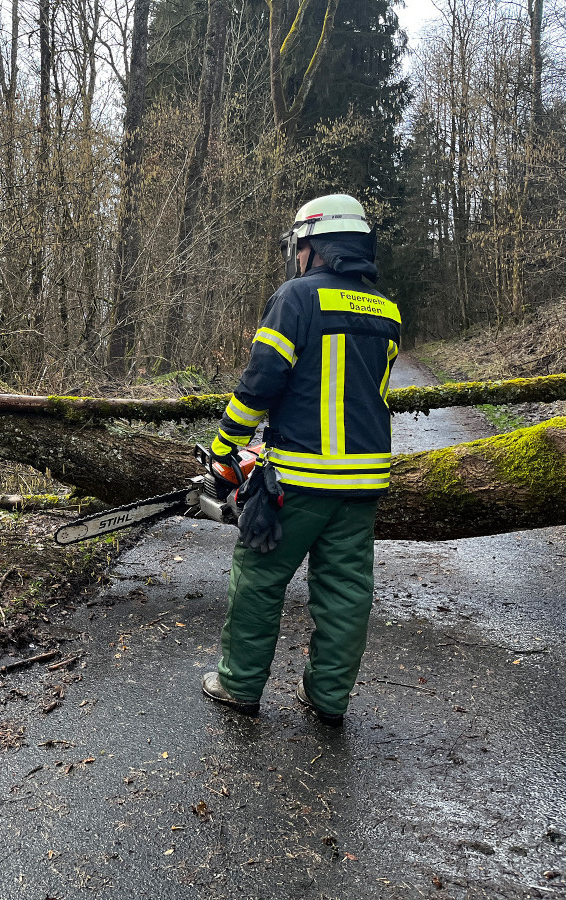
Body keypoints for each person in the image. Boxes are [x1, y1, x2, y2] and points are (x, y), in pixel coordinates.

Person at [200, 194, 401, 727]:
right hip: (363, 480)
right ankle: (329, 697)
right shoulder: (386, 308)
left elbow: (261, 382)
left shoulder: (295, 298)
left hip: (300, 479)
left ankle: (240, 683)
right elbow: (357, 391)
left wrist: (225, 446)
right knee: (345, 591)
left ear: (313, 244)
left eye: (300, 246)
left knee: (259, 576)